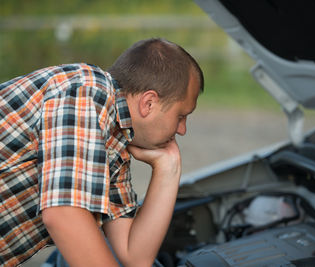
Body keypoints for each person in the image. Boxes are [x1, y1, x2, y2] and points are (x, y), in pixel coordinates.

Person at [0, 38, 204, 266]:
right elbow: (64, 214)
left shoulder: (115, 144)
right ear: (148, 103)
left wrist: (169, 167)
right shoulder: (87, 93)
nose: (182, 130)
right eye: (181, 116)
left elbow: (134, 256)